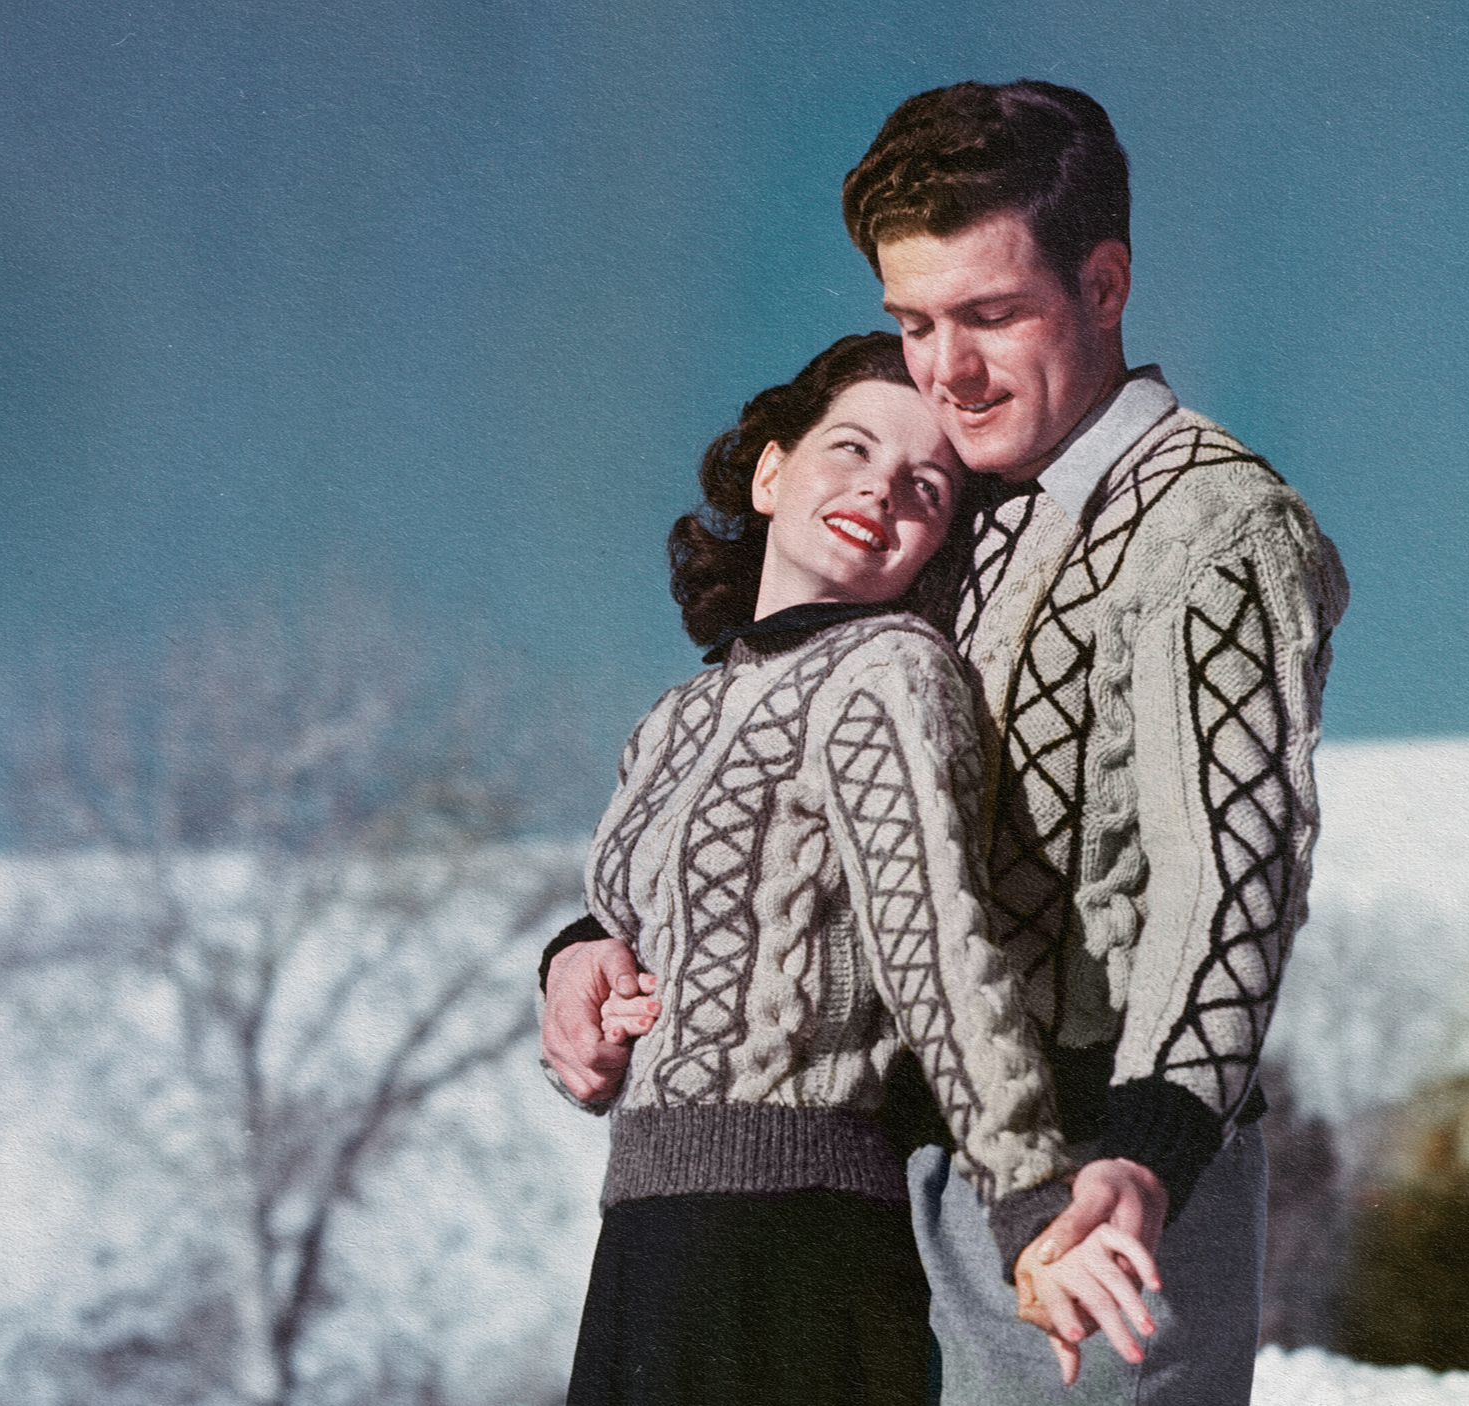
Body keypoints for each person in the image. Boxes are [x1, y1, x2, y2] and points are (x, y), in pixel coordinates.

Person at [549, 80, 1348, 1402]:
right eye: (914, 323)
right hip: (904, 1190)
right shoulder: (958, 512)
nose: (948, 371)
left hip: (1101, 1175)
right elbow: (798, 795)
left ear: (1104, 284)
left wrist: (1145, 1155)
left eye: (991, 315)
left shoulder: (1213, 527)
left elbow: (1229, 881)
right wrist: (590, 940)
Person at [557, 331, 1160, 1406]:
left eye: (926, 486)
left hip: (799, 1241)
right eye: (852, 448)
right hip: (649, 1228)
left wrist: (1029, 1200)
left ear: (937, 543)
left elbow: (936, 941)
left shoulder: (889, 671)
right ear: (771, 472)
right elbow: (631, 923)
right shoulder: (674, 718)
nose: (882, 489)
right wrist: (572, 958)